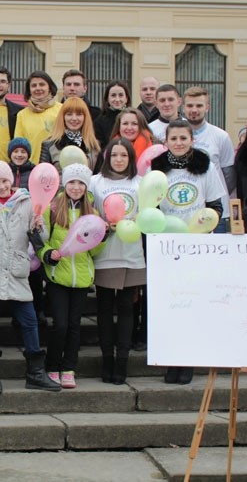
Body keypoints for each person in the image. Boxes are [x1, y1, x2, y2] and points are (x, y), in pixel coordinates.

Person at [0, 161, 61, 394]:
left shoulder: (27, 204)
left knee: (28, 319)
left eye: (4, 181)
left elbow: (41, 238)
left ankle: (35, 373)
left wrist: (39, 226)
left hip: (16, 269)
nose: (1, 186)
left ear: (12, 181)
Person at [152, 119, 226, 385]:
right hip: (167, 246)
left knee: (191, 305)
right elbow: (152, 207)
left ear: (192, 140)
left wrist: (204, 227)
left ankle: (188, 363)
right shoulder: (157, 169)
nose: (179, 143)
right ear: (166, 142)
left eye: (184, 138)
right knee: (169, 307)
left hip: (197, 246)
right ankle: (170, 361)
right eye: (174, 139)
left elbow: (217, 206)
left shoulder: (205, 168)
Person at [40, 163, 105, 389]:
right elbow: (42, 241)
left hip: (82, 278)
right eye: (71, 182)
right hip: (59, 276)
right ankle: (52, 365)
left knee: (74, 326)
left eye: (80, 183)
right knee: (60, 324)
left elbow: (93, 251)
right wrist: (48, 254)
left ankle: (69, 367)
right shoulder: (52, 209)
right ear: (64, 184)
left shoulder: (92, 213)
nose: (76, 187)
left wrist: (102, 238)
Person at [90, 138, 145, 384]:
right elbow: (87, 213)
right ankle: (107, 359)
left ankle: (122, 361)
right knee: (103, 309)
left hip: (131, 255)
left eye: (124, 155)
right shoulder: (95, 182)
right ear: (107, 158)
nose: (119, 160)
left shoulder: (141, 183)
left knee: (126, 309)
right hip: (105, 253)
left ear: (131, 158)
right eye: (114, 155)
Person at [7, 137, 48, 326]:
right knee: (16, 271)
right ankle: (17, 313)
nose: (19, 154)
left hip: (31, 224)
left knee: (35, 271)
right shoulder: (5, 171)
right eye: (16, 151)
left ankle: (38, 308)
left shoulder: (35, 172)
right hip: (11, 226)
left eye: (23, 151)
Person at [182, 86, 235, 233]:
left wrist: (212, 196)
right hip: (185, 213)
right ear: (183, 107)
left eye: (199, 105)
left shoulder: (221, 136)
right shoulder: (175, 136)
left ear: (207, 107)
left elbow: (229, 175)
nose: (194, 110)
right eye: (190, 105)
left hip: (216, 213)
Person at [39, 96, 101, 173]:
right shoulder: (49, 145)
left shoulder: (94, 146)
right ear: (63, 117)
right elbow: (42, 177)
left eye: (79, 114)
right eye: (69, 114)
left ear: (85, 117)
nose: (74, 118)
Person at [14, 70, 63, 163]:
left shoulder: (62, 110)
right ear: (29, 90)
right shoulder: (22, 115)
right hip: (31, 168)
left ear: (49, 87)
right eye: (33, 86)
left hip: (57, 166)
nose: (38, 88)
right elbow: (19, 145)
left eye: (42, 84)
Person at [93, 81, 131, 149]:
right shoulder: (99, 122)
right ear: (107, 98)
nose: (117, 99)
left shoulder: (133, 119)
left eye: (121, 95)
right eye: (113, 95)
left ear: (126, 98)